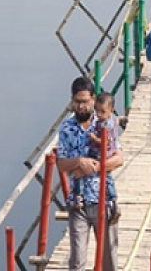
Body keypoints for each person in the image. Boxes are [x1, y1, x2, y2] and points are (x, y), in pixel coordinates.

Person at [57, 77, 123, 271]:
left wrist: (94, 167)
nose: (81, 106)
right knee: (77, 261)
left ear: (93, 99)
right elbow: (61, 164)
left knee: (108, 259)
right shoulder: (66, 128)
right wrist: (79, 162)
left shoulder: (105, 123)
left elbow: (118, 159)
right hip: (78, 203)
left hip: (103, 200)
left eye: (85, 101)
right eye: (77, 101)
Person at [70, 91, 120, 224]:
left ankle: (78, 196)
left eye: (102, 112)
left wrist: (94, 138)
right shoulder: (110, 120)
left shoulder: (106, 124)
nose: (98, 114)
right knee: (106, 177)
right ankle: (112, 201)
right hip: (102, 152)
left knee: (81, 168)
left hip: (101, 153)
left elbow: (106, 141)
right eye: (97, 111)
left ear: (111, 110)